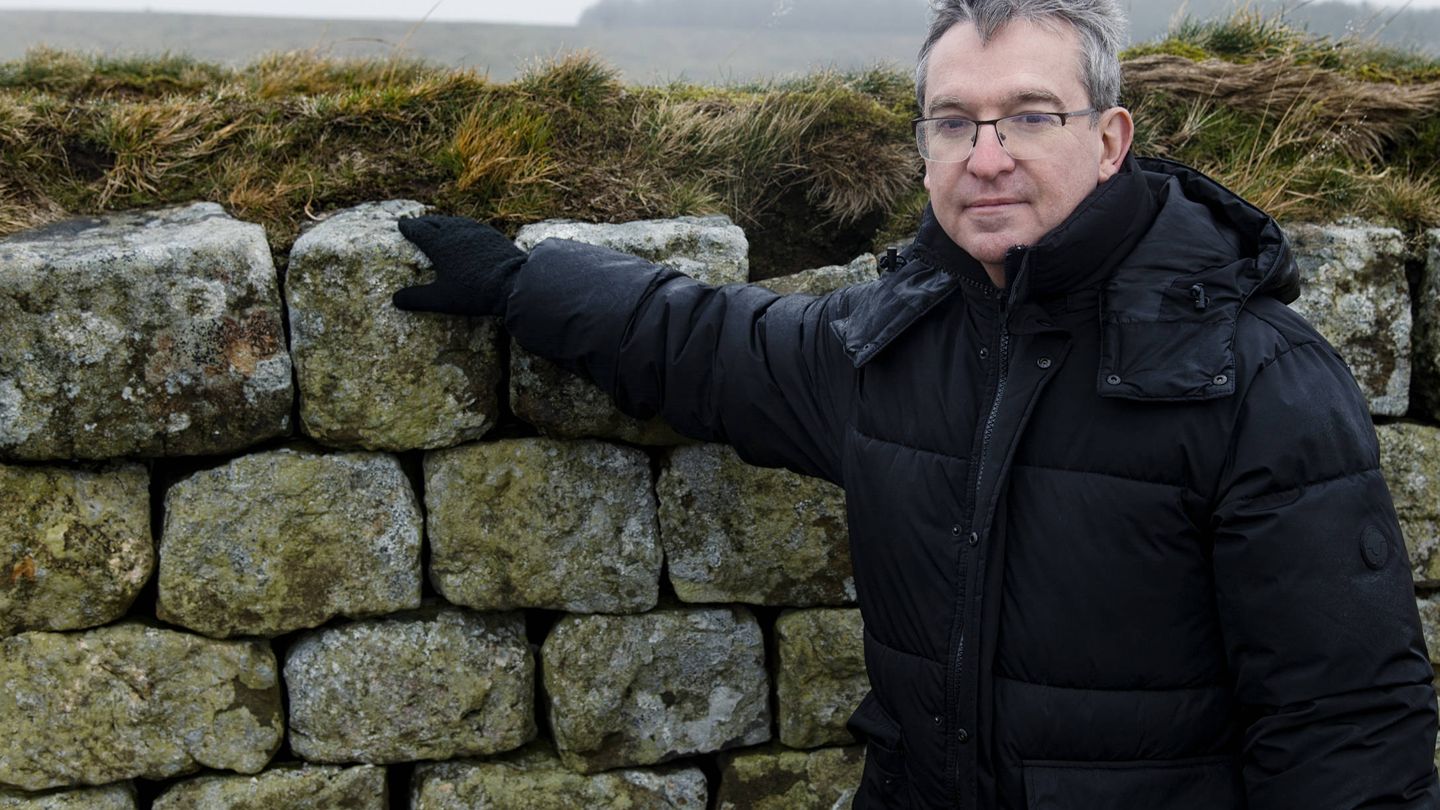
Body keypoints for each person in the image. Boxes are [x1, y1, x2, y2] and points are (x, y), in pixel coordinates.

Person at [392, 0, 1440, 806]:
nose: (987, 158)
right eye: (954, 123)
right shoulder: (895, 339)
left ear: (1112, 138)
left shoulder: (1254, 375)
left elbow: (1345, 722)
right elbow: (710, 345)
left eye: (1031, 116)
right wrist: (526, 282)